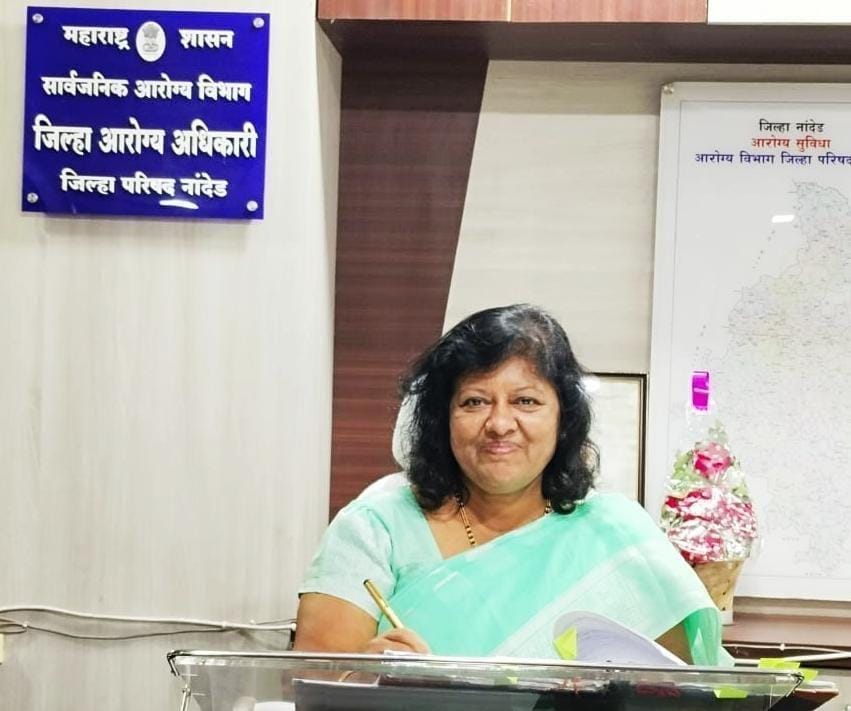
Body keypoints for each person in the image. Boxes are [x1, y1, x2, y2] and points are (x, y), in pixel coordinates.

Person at [295, 304, 725, 664]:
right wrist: (369, 676)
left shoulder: (616, 534)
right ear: (442, 419)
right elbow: (315, 683)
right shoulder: (376, 527)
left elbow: (673, 692)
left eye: (526, 401)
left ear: (563, 420)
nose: (500, 424)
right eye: (475, 401)